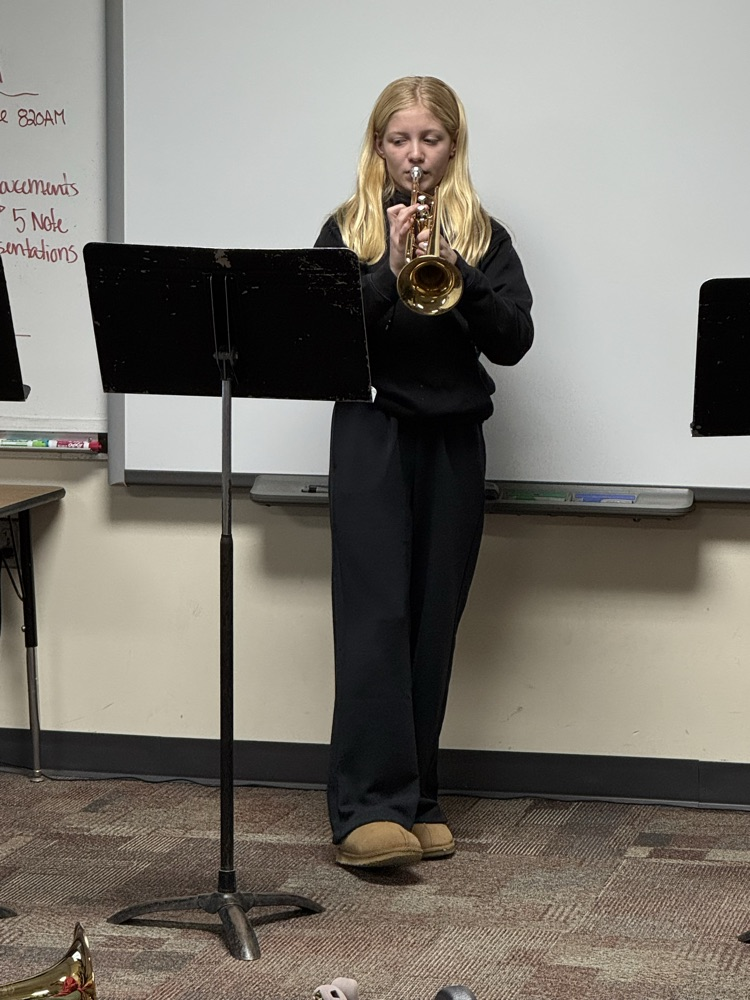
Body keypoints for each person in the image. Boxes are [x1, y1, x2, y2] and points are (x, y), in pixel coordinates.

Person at [314, 76, 533, 868]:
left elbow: (513, 340)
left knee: (433, 620)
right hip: (372, 435)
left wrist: (459, 269)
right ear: (378, 146)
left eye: (430, 140)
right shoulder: (346, 231)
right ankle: (364, 810)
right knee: (377, 621)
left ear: (452, 146)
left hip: (453, 441)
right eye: (400, 139)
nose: (415, 155)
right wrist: (389, 267)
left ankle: (417, 797)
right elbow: (323, 343)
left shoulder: (485, 235)